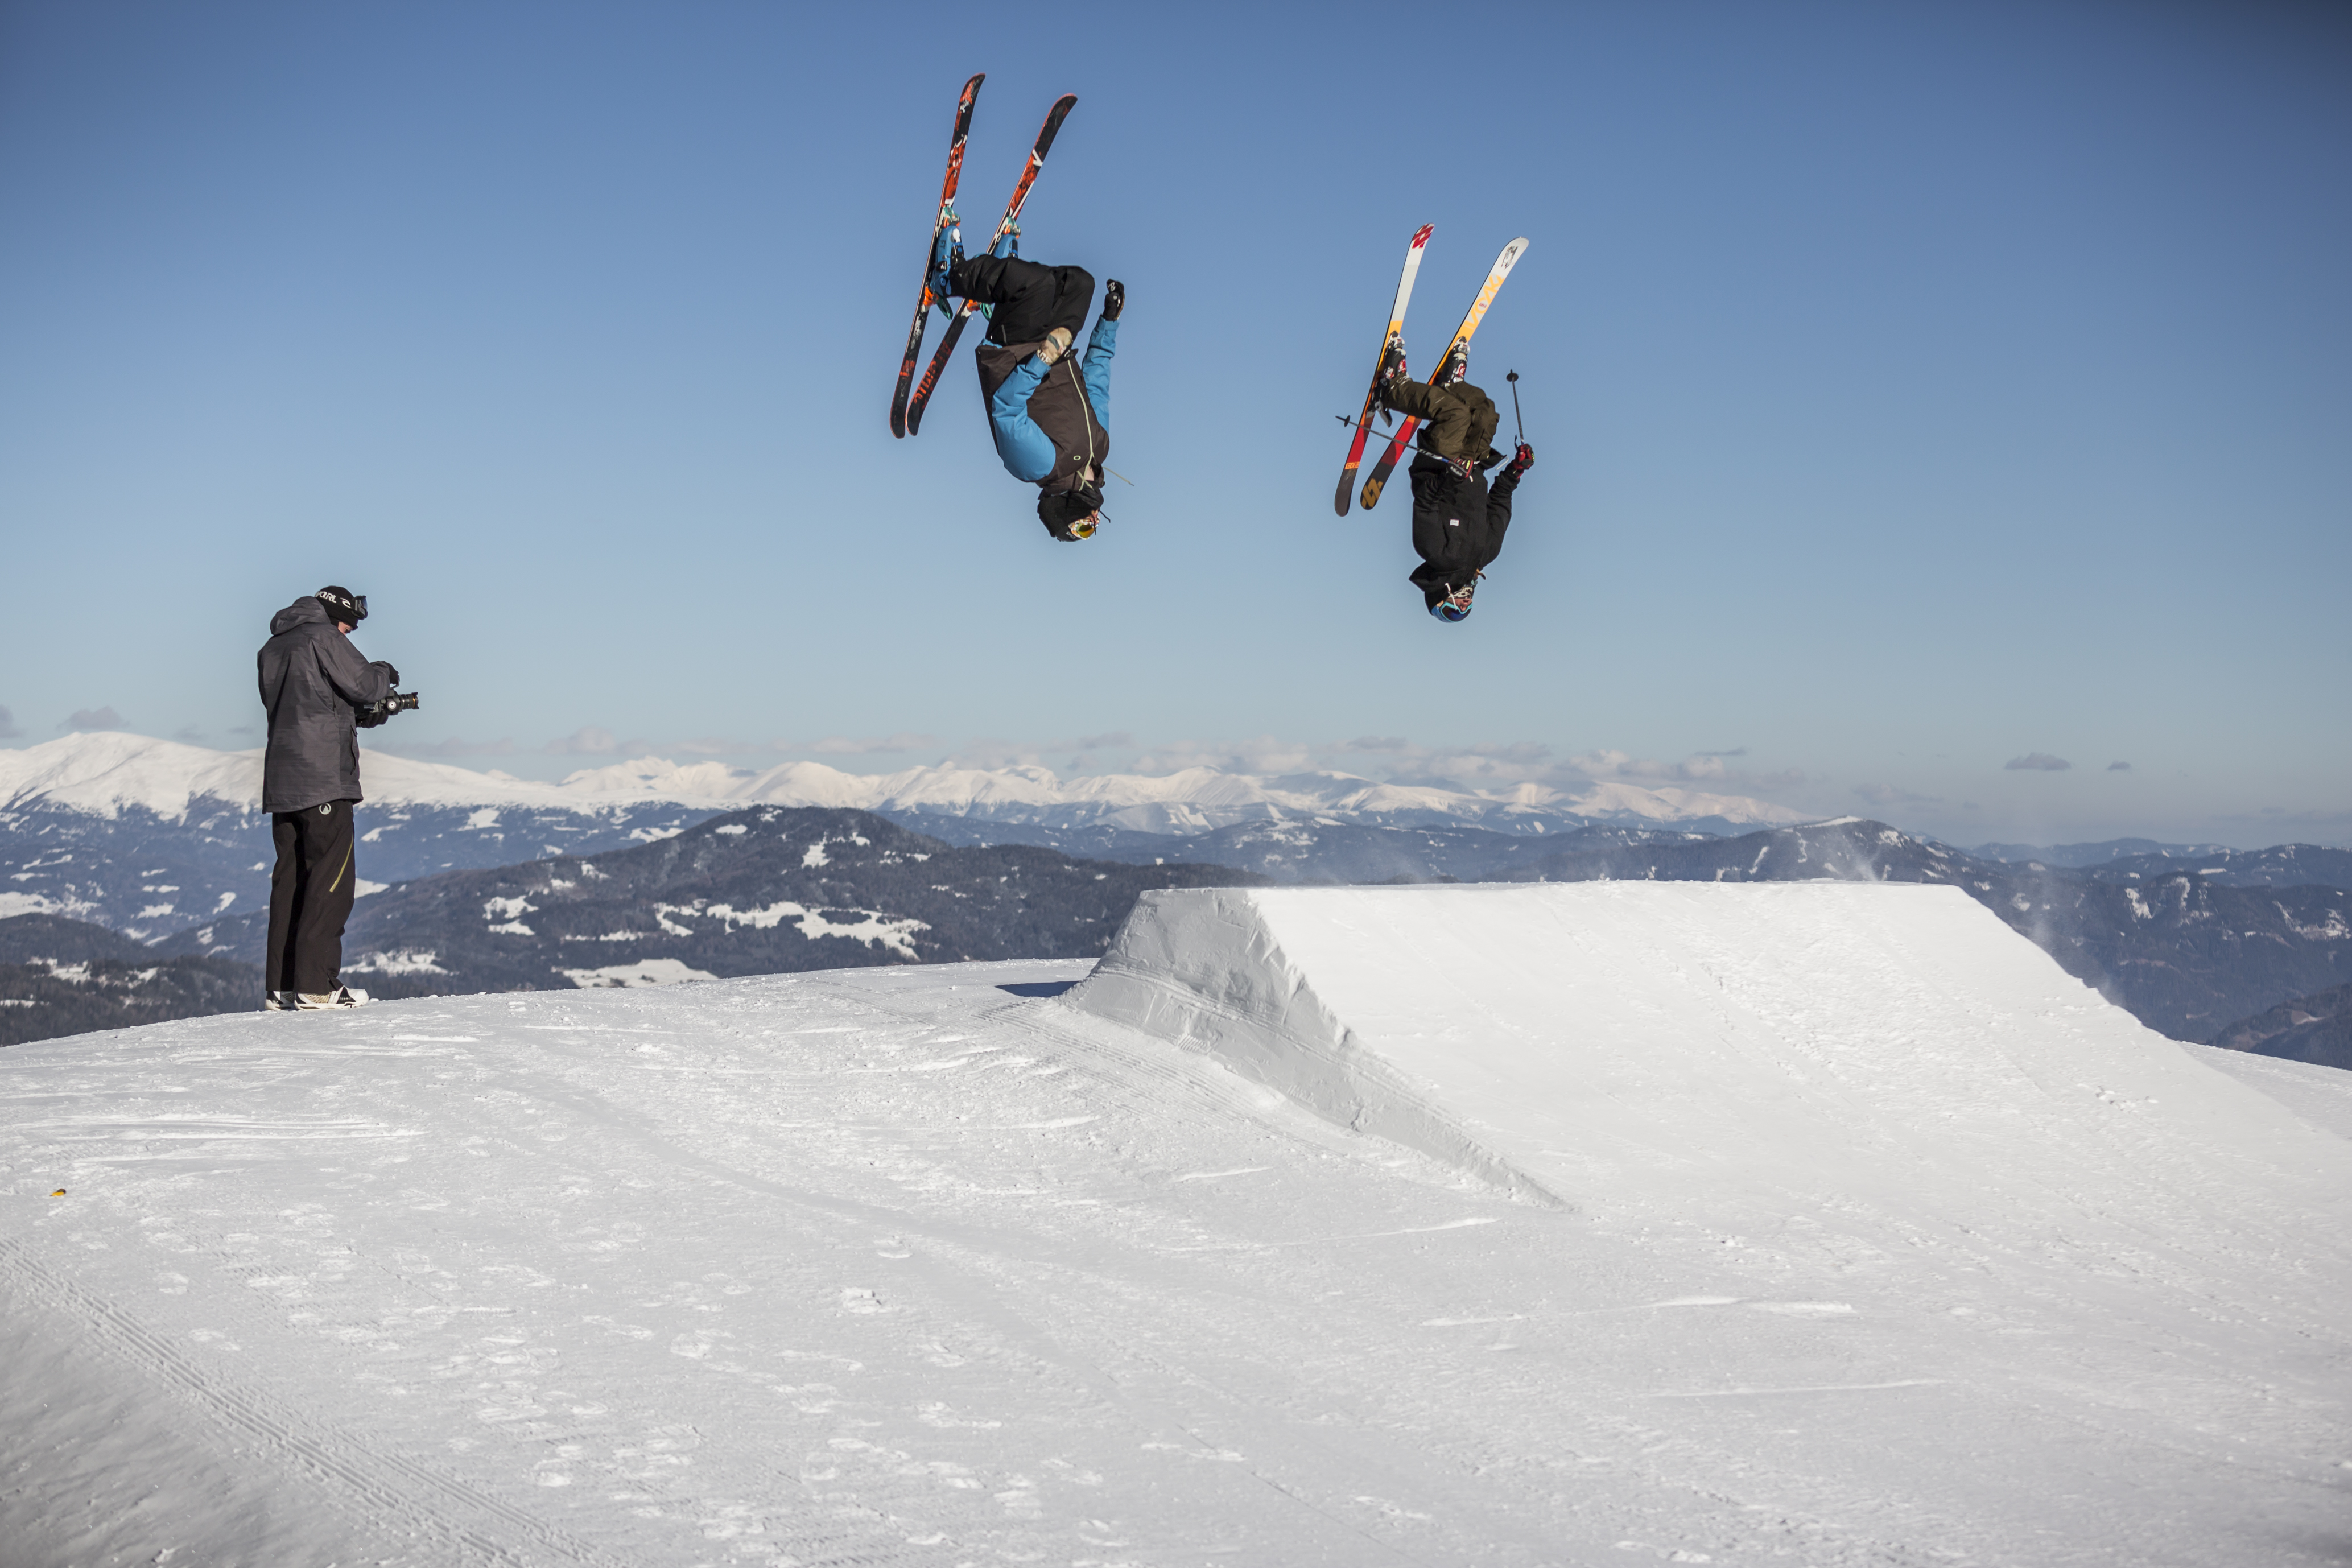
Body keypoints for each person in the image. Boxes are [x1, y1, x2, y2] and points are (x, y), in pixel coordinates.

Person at [255, 585, 398, 1010]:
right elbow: (363, 683)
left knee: (291, 884)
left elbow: (310, 705)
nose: (349, 634)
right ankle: (317, 987)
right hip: (323, 782)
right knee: (329, 886)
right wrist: (384, 671)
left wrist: (361, 716)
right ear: (335, 614)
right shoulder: (322, 637)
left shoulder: (273, 647)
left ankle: (282, 987)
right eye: (349, 625)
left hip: (283, 782)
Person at [929, 231, 1123, 541]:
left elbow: (1006, 409)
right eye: (1091, 528)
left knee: (1033, 286)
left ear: (1062, 513)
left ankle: (945, 280)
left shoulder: (1041, 467)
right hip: (1054, 346)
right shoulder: (1099, 447)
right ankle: (1000, 290)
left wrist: (1042, 360)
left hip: (1013, 353)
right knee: (1079, 284)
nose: (1094, 524)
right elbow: (1097, 383)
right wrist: (1109, 322)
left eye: (1083, 529)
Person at [1375, 361, 1535, 621]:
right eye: (1467, 609)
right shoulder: (1488, 552)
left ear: (1439, 596)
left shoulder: (1436, 553)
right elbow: (1500, 501)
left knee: (1456, 416)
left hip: (1440, 464)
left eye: (1453, 610)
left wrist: (1450, 476)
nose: (1465, 605)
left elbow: (1425, 503)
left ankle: (1391, 390)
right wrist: (1516, 469)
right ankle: (1451, 385)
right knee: (1486, 414)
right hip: (1473, 465)